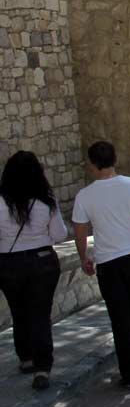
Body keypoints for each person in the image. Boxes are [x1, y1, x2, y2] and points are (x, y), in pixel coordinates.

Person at [73, 142, 130, 389]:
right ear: (115, 159)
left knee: (119, 315)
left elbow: (80, 232)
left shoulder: (85, 196)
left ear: (92, 164)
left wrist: (83, 258)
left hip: (107, 262)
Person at [0, 151, 68, 391]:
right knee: (40, 314)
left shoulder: (0, 202)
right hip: (42, 261)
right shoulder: (45, 201)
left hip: (8, 264)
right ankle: (42, 367)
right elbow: (60, 234)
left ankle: (26, 358)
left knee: (19, 312)